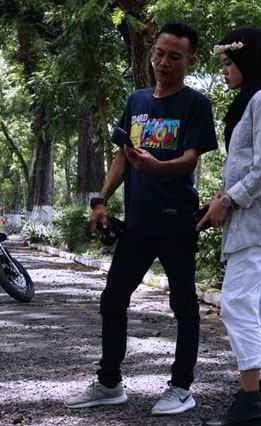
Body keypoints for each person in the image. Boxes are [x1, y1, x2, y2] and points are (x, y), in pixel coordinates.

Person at [64, 22, 218, 416]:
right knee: (113, 298)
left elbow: (189, 159)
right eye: (159, 54)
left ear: (191, 61)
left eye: (175, 57)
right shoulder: (136, 101)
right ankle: (109, 382)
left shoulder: (196, 104)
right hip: (138, 224)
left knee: (183, 305)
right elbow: (122, 155)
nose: (164, 63)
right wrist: (100, 200)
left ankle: (181, 387)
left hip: (177, 221)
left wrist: (155, 166)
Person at [200, 28, 261, 426]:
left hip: (258, 222)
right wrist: (223, 197)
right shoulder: (254, 102)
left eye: (228, 63)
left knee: (236, 302)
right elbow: (251, 165)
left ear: (248, 62)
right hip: (252, 220)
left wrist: (226, 200)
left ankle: (249, 402)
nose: (224, 71)